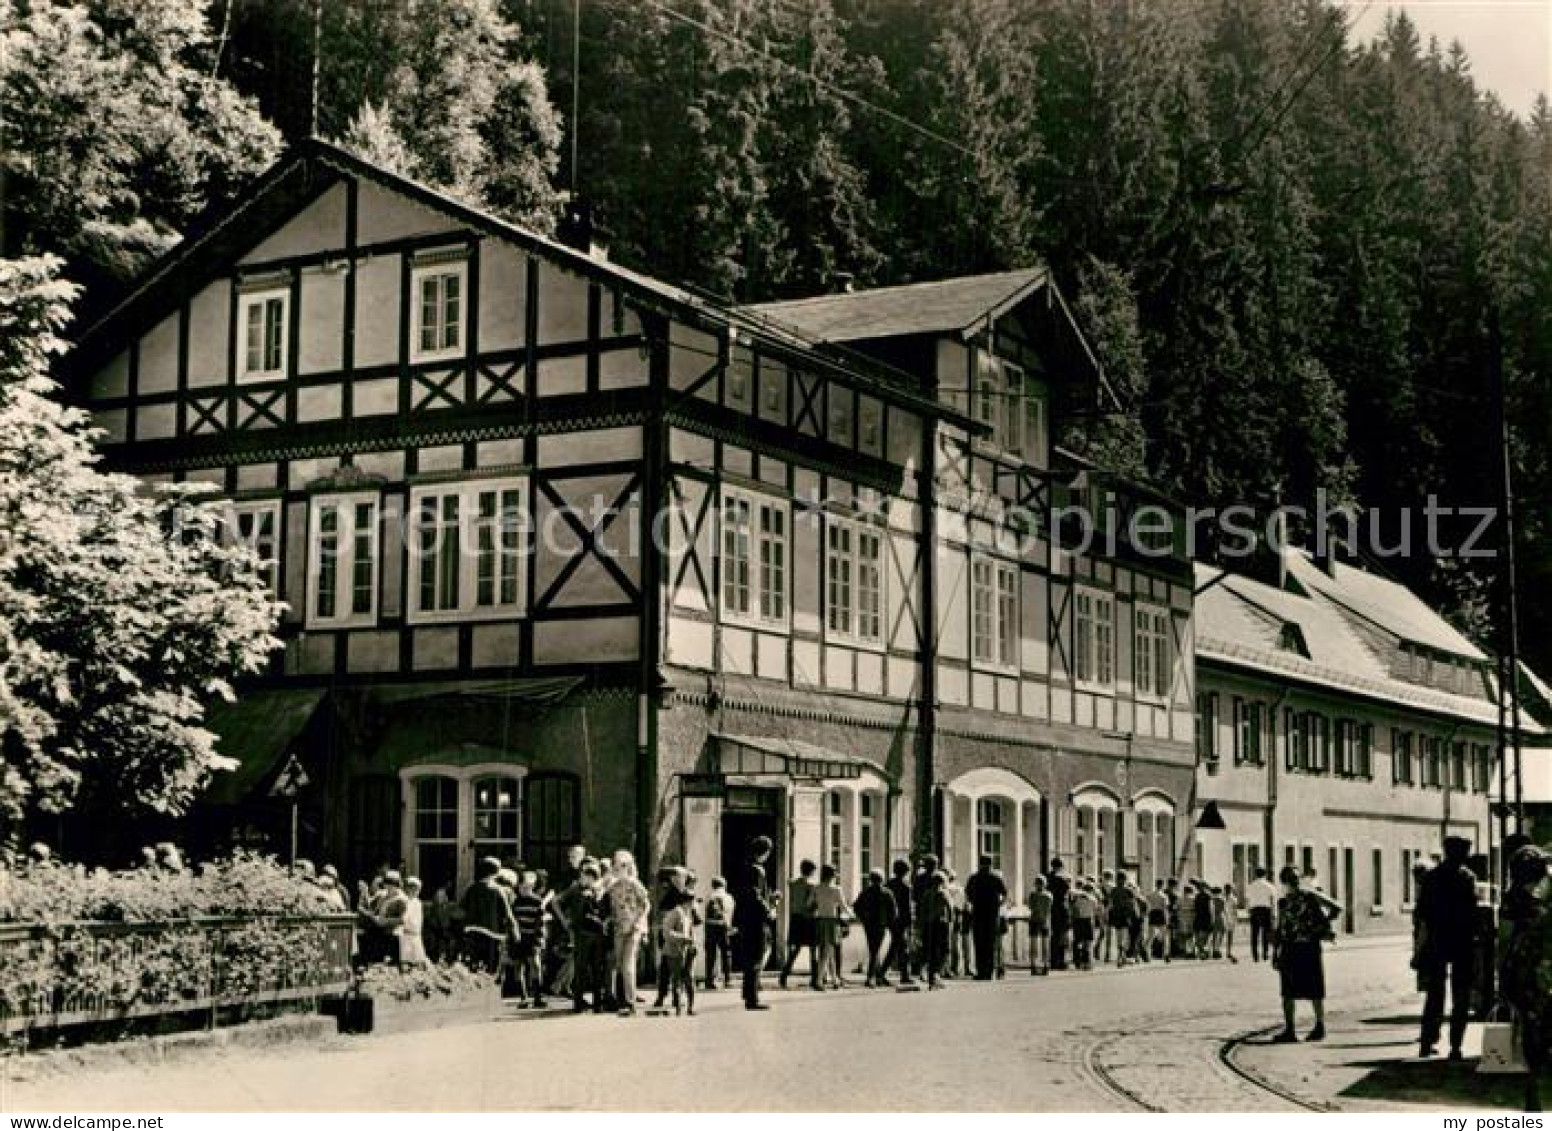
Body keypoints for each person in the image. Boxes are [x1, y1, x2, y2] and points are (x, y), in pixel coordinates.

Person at [1415, 835, 1481, 1060]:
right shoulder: (1467, 878)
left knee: (1434, 995)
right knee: (1460, 996)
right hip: (1462, 943)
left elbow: (1422, 917)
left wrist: (1418, 949)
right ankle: (1455, 1046)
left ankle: (1427, 1041)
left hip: (1437, 941)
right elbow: (1474, 915)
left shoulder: (1431, 878)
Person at [1272, 865, 1341, 1042]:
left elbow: (1336, 907)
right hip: (1289, 948)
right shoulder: (1283, 902)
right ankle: (1290, 1030)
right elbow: (1280, 929)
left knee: (1314, 988)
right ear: (1283, 882)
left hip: (1309, 947)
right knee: (1287, 991)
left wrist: (1319, 925)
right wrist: (1275, 953)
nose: (1292, 882)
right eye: (1288, 879)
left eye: (1295, 878)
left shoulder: (1310, 896)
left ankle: (1319, 1026)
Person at [731, 835, 777, 1010]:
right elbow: (755, 895)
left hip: (745, 919)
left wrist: (770, 899)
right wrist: (768, 910)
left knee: (750, 958)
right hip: (756, 920)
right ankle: (752, 999)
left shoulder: (745, 867)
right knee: (756, 958)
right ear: (765, 852)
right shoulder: (757, 870)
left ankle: (748, 993)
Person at [606, 851, 650, 1017]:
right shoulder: (613, 886)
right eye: (617, 865)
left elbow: (646, 904)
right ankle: (622, 1002)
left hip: (633, 928)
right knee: (619, 964)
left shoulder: (635, 884)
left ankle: (630, 1003)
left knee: (628, 966)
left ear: (629, 866)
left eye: (623, 865)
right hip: (619, 928)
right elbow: (601, 897)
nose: (619, 868)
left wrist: (640, 922)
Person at [563, 862, 609, 1013]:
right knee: (590, 970)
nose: (581, 878)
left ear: (591, 877)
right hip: (591, 934)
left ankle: (587, 1003)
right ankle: (590, 1004)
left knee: (588, 970)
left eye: (584, 876)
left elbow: (583, 915)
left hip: (588, 935)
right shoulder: (590, 891)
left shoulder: (590, 893)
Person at [964, 855, 1008, 980]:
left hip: (978, 914)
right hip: (992, 915)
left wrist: (973, 902)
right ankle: (989, 972)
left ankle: (981, 971)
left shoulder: (973, 878)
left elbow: (967, 894)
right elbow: (1004, 894)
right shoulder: (995, 878)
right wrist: (999, 904)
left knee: (979, 943)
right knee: (991, 944)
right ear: (991, 864)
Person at [780, 859, 820, 990]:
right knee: (813, 950)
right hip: (809, 919)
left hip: (796, 917)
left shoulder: (793, 883)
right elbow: (810, 903)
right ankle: (815, 979)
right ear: (811, 871)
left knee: (795, 949)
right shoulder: (812, 885)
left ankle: (784, 975)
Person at [852, 868, 896, 987]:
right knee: (875, 949)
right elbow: (893, 910)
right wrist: (890, 922)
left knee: (873, 948)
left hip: (869, 924)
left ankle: (877, 976)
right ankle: (872, 976)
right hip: (880, 924)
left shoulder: (866, 892)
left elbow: (856, 906)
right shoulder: (887, 893)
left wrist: (862, 917)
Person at [660, 886, 698, 1016]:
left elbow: (691, 930)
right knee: (676, 980)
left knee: (689, 979)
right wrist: (683, 938)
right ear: (687, 901)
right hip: (674, 951)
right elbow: (667, 932)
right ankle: (678, 1008)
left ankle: (690, 1007)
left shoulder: (688, 913)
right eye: (692, 901)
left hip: (687, 951)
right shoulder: (675, 913)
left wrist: (692, 942)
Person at [812, 863, 851, 989]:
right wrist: (851, 915)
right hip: (832, 921)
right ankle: (819, 981)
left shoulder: (816, 888)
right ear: (832, 875)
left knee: (829, 951)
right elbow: (844, 906)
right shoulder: (836, 889)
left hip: (820, 920)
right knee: (827, 952)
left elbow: (809, 904)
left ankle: (835, 980)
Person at [511, 871, 547, 1006]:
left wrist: (540, 938)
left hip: (532, 937)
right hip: (518, 938)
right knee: (518, 967)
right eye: (522, 887)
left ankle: (537, 996)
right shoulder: (515, 902)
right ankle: (523, 997)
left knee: (535, 966)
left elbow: (541, 922)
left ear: (532, 887)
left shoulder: (537, 901)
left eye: (527, 887)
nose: (524, 890)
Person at [919, 871, 954, 989]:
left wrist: (923, 924)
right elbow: (950, 908)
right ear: (942, 881)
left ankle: (931, 979)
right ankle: (936, 975)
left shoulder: (926, 893)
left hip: (929, 924)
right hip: (942, 924)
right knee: (945, 950)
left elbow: (922, 911)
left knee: (932, 951)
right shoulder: (944, 893)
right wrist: (951, 921)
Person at [885, 858, 916, 987]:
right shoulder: (906, 886)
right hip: (902, 920)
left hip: (892, 920)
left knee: (896, 947)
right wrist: (911, 924)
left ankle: (884, 972)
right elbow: (907, 906)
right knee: (902, 948)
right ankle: (903, 975)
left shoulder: (889, 884)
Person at [703, 876, 735, 990]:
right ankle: (728, 979)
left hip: (710, 926)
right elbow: (731, 913)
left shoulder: (709, 896)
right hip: (724, 926)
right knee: (726, 954)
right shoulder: (728, 897)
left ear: (713, 885)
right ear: (724, 885)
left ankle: (709, 980)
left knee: (711, 955)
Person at [1108, 870, 1140, 966]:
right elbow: (1132, 904)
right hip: (1126, 916)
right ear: (1125, 879)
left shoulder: (1113, 890)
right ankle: (1121, 956)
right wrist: (1135, 915)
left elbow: (1111, 904)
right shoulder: (1129, 891)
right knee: (1125, 936)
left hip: (1116, 915)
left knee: (1119, 936)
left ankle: (1121, 956)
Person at [1246, 868, 1277, 963]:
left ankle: (1255, 955)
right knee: (1266, 933)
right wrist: (1273, 913)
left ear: (1255, 874)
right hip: (1266, 910)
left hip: (1254, 910)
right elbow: (1272, 900)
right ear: (1265, 874)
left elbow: (1248, 899)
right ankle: (1265, 953)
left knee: (1254, 933)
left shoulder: (1250, 886)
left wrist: (1249, 911)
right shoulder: (1270, 886)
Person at [1046, 858, 1072, 970]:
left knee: (1054, 936)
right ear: (1060, 866)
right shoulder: (1063, 879)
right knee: (1062, 936)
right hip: (1062, 908)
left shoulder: (1048, 877)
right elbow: (1067, 893)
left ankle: (1053, 960)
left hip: (1051, 908)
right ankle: (1061, 961)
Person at [398, 876, 429, 966]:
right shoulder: (404, 901)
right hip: (405, 932)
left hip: (415, 932)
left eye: (418, 890)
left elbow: (419, 918)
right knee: (405, 956)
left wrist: (417, 929)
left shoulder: (418, 902)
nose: (417, 892)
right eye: (415, 889)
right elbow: (404, 916)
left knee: (417, 956)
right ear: (408, 889)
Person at [1028, 876, 1053, 974]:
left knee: (1033, 943)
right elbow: (1049, 908)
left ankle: (1033, 965)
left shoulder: (1033, 895)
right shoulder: (1049, 895)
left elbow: (1030, 907)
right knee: (1045, 944)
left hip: (1034, 919)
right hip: (1045, 921)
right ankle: (1045, 965)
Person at [1070, 880, 1097, 969]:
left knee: (1077, 941)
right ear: (1091, 890)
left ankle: (1077, 960)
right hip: (1088, 921)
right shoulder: (1093, 899)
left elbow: (1074, 909)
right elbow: (1095, 910)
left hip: (1078, 920)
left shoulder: (1077, 898)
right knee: (1087, 943)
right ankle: (1087, 962)